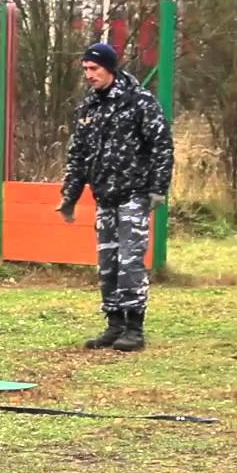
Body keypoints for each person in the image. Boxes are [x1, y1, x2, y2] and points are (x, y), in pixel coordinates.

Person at [56, 42, 174, 352]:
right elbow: (78, 154)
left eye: (94, 69)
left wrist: (158, 189)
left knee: (130, 259)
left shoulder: (140, 102)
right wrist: (69, 196)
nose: (89, 75)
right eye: (85, 69)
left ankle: (134, 326)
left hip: (134, 192)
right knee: (107, 262)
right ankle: (114, 323)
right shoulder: (89, 107)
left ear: (110, 68)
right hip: (104, 196)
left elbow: (162, 146)